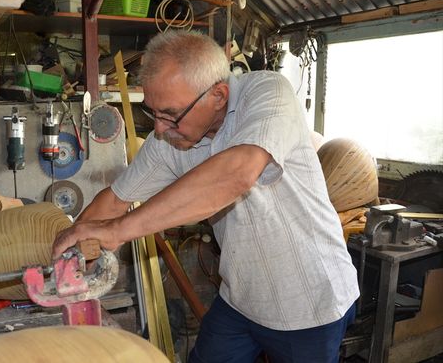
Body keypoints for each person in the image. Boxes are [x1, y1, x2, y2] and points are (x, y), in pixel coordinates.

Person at [53, 30, 359, 362]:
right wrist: (71, 248)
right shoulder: (168, 139)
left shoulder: (268, 93)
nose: (158, 128)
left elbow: (237, 173)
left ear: (218, 95)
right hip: (241, 298)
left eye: (170, 114)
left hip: (310, 303)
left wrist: (116, 231)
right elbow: (115, 199)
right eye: (152, 112)